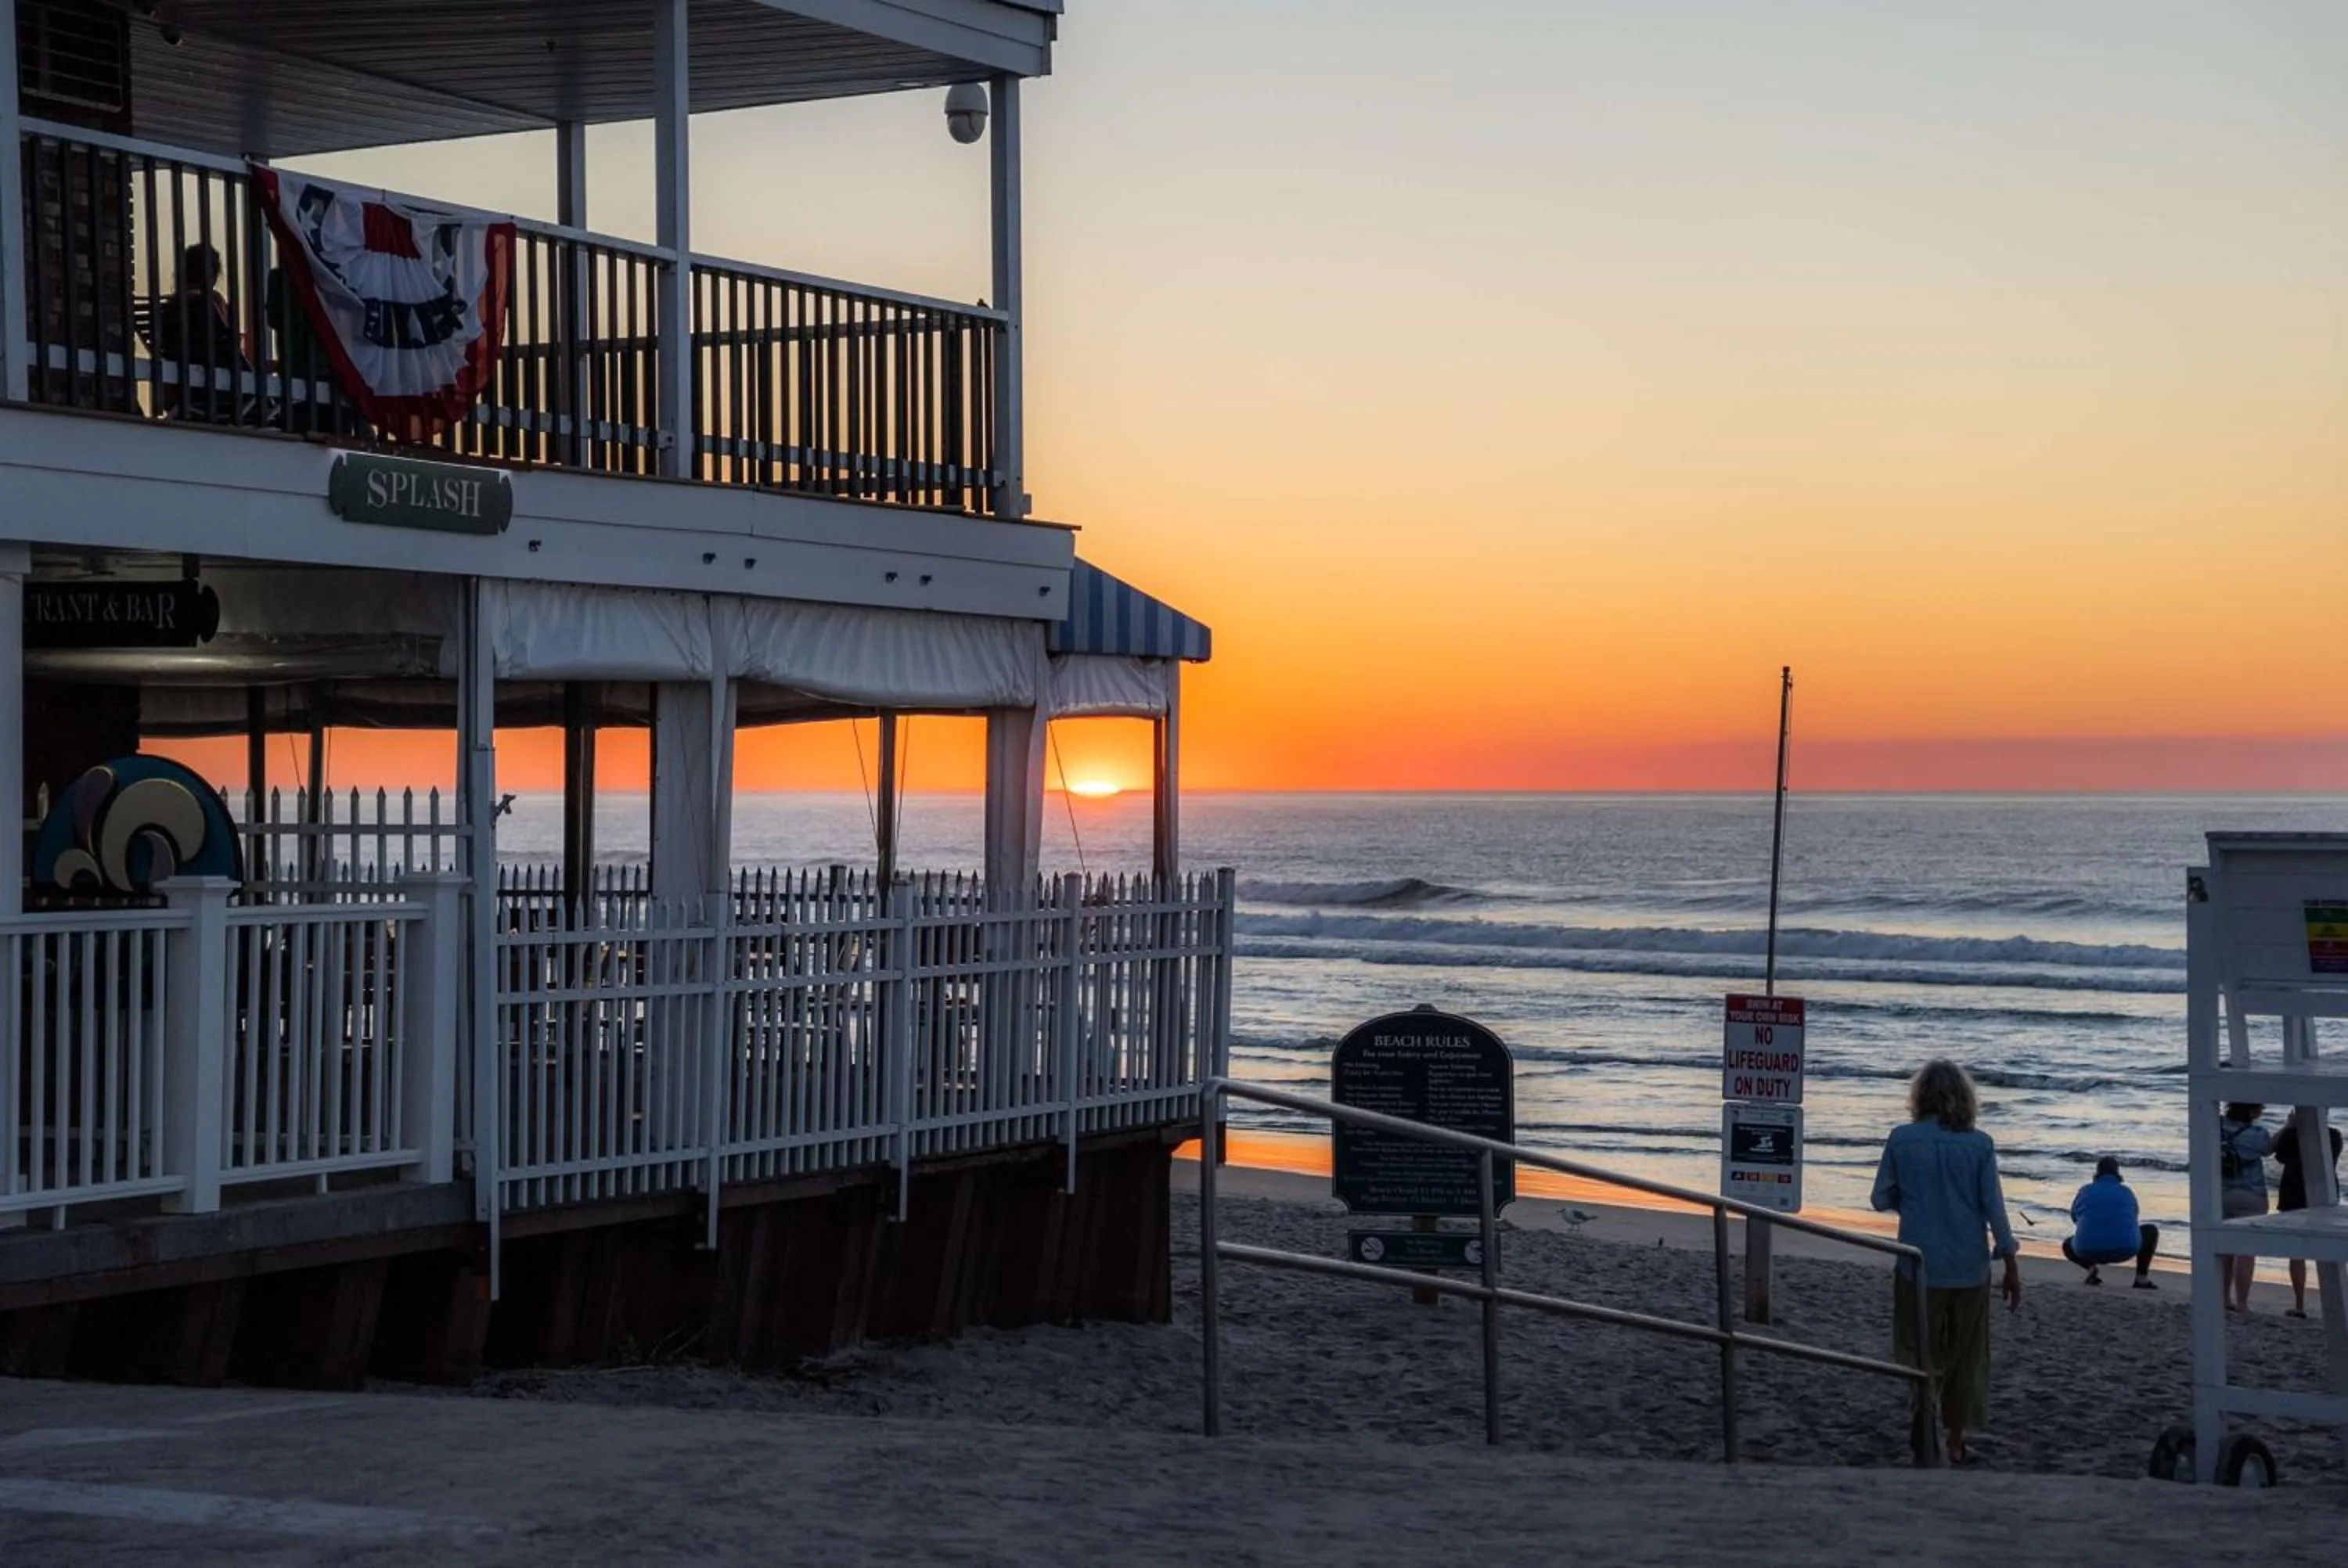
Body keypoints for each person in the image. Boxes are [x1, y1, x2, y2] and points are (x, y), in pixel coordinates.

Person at [1871, 1059, 2022, 1466]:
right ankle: (1955, 1440)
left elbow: (1880, 1198)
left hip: (1918, 1263)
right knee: (1968, 1352)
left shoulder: (1902, 1140)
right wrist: (2010, 1263)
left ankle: (1923, 1409)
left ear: (1919, 1097)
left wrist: (1914, 1198)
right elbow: (1995, 1209)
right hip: (1968, 1265)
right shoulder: (1980, 1145)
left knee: (1919, 1345)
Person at [2272, 1108, 2343, 1320]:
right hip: (2325, 1191)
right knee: (2327, 1249)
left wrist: (2289, 1127)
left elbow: (2279, 1155)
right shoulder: (2334, 1135)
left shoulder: (2294, 1135)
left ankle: (2300, 1303)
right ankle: (2335, 1302)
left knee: (2296, 1251)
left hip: (2294, 1190)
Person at [2062, 1156, 2159, 1289]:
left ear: (2096, 1174)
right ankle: (2141, 1278)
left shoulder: (2085, 1191)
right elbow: (2133, 1217)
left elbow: (2074, 1217)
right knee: (2150, 1230)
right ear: (2118, 1174)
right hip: (2125, 1249)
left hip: (2087, 1250)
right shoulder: (2126, 1191)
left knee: (2067, 1244)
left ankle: (2091, 1268)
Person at [2217, 1102, 2274, 1313]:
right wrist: (2289, 1127)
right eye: (2260, 1108)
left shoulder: (2217, 1126)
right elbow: (2269, 1149)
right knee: (2246, 1252)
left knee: (2225, 1250)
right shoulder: (2258, 1133)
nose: (2263, 1111)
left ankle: (2223, 1298)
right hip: (2251, 1194)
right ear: (2251, 1111)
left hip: (2219, 1193)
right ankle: (2242, 1302)